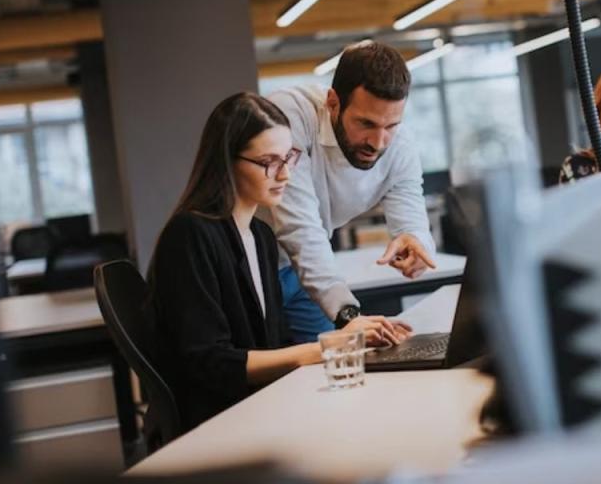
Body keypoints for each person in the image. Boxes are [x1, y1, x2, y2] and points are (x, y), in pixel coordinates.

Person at [150, 92, 411, 430]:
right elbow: (210, 362)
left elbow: (275, 342)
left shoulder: (259, 236)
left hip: (263, 408)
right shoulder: (190, 235)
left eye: (289, 157)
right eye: (269, 162)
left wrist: (352, 340)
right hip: (224, 424)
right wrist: (324, 348)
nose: (285, 174)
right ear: (227, 161)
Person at [263, 41, 437, 343]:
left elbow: (412, 218)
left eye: (391, 125)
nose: (379, 141)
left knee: (322, 367)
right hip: (250, 266)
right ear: (332, 102)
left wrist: (417, 244)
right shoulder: (289, 115)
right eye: (365, 123)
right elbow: (299, 227)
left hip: (304, 272)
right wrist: (348, 315)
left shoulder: (400, 145)